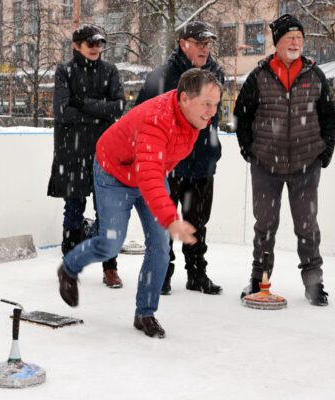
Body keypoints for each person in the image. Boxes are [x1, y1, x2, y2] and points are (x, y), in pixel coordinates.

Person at [56, 69, 222, 338]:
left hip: (149, 171)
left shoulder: (193, 119)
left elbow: (156, 168)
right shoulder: (157, 120)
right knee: (111, 241)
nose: (212, 111)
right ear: (183, 99)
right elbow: (149, 177)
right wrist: (171, 217)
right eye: (206, 104)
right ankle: (69, 268)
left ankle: (145, 312)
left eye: (215, 104)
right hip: (115, 172)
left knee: (159, 244)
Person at [234, 14, 335, 306]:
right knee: (264, 225)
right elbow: (242, 115)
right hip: (266, 164)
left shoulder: (315, 74)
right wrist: (250, 151)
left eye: (299, 38)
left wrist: (324, 152)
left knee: (307, 226)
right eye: (290, 38)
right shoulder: (259, 75)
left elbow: (330, 116)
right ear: (277, 43)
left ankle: (313, 284)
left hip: (306, 164)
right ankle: (260, 278)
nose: (295, 43)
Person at [135, 21, 224, 296]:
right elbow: (141, 115)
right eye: (199, 43)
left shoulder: (215, 74)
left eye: (208, 44)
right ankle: (162, 274)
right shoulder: (162, 76)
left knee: (198, 221)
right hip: (168, 164)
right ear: (182, 43)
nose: (205, 49)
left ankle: (197, 274)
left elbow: (214, 117)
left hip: (201, 162)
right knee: (164, 222)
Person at [47, 24, 126, 289]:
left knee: (107, 213)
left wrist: (83, 104)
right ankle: (69, 266)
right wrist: (98, 113)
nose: (95, 48)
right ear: (77, 45)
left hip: (105, 153)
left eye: (99, 43)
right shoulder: (64, 71)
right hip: (72, 153)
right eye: (90, 43)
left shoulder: (110, 71)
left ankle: (110, 267)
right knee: (72, 211)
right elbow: (61, 112)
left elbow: (119, 107)